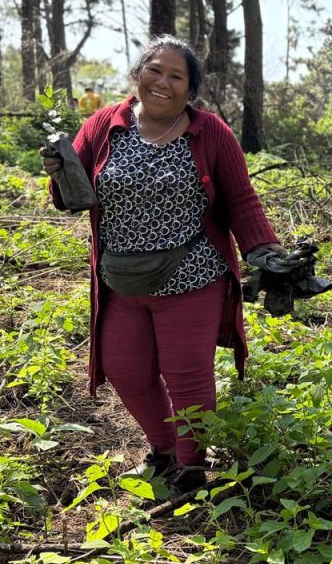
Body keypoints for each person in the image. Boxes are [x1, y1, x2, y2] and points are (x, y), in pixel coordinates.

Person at [42, 35, 288, 493]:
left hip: (191, 280)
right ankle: (164, 451)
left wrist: (265, 251)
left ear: (190, 89)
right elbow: (72, 196)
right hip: (122, 282)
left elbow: (241, 199)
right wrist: (58, 174)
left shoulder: (211, 132)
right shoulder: (103, 124)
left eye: (177, 76)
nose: (163, 82)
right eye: (154, 70)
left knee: (187, 379)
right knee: (124, 369)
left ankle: (192, 471)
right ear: (137, 75)